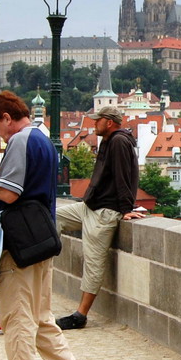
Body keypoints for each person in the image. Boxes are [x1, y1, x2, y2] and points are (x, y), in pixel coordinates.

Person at [0, 91, 85, 360]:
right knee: (39, 313)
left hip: (19, 243)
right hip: (40, 237)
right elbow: (25, 184)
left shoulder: (19, 140)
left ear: (6, 117)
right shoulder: (42, 137)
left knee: (17, 316)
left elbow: (9, 195)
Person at [55, 105, 142, 330]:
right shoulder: (108, 140)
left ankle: (80, 315)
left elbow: (124, 177)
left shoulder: (119, 142)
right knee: (51, 217)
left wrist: (125, 209)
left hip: (105, 212)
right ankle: (44, 263)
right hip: (90, 206)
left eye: (97, 120)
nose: (94, 124)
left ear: (109, 122)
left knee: (93, 263)